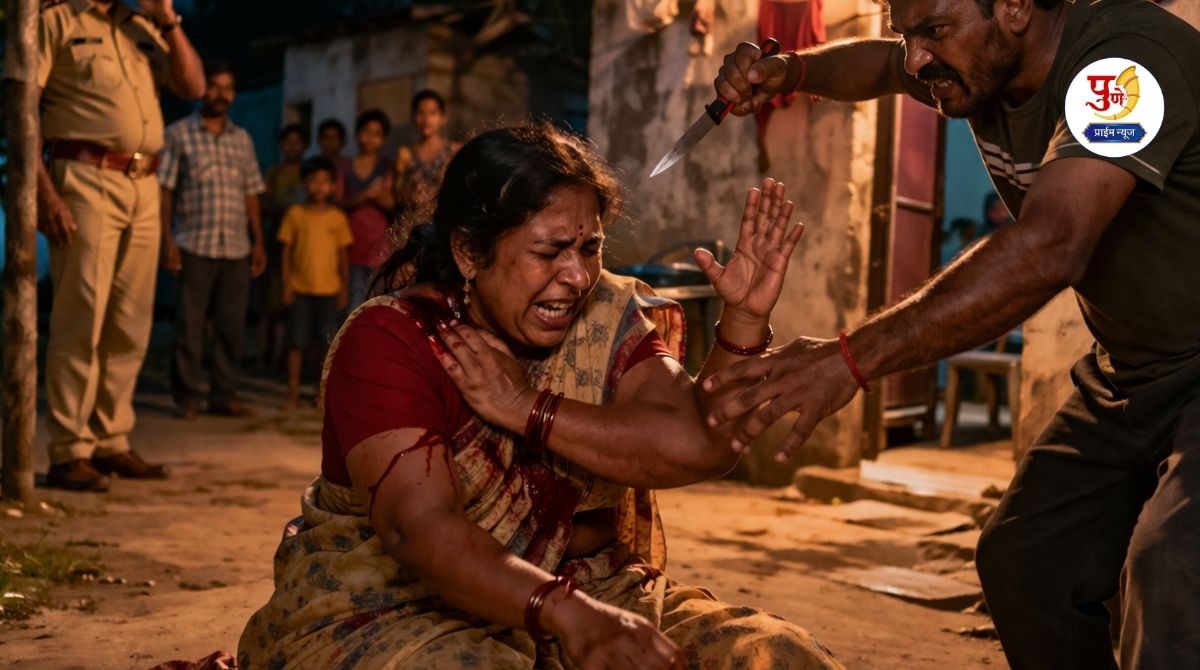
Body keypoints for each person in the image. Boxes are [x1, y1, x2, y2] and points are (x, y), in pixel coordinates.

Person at [238, 124, 842, 670]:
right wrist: (567, 615)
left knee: (776, 655)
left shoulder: (604, 314)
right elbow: (417, 530)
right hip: (404, 606)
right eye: (549, 251)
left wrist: (742, 321)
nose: (577, 276)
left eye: (589, 248)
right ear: (469, 252)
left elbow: (700, 445)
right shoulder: (395, 339)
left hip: (592, 587)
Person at [708, 0, 1200, 667]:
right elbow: (882, 66)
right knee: (1026, 561)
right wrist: (790, 71)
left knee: (1174, 572)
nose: (916, 58)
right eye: (907, 33)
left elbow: (1051, 246)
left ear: (1016, 8)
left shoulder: (1124, 66)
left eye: (933, 31)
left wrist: (849, 358)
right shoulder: (974, 63)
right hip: (1129, 374)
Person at [2, 0, 205, 491]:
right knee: (82, 316)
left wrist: (167, 19)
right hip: (83, 175)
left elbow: (194, 87)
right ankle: (70, 450)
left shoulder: (142, 27)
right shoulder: (54, 20)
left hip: (144, 182)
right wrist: (43, 192)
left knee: (131, 321)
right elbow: (20, 108)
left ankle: (110, 439)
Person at [159, 61, 267, 420]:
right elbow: (165, 191)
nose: (221, 95)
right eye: (215, 87)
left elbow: (251, 193)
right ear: (203, 89)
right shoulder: (178, 134)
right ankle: (187, 396)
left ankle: (223, 395)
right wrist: (168, 241)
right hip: (194, 243)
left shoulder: (242, 139)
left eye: (228, 88)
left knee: (231, 327)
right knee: (189, 326)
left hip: (235, 246)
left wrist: (258, 242)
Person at [278, 156, 353, 410]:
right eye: (313, 180)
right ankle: (292, 391)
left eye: (325, 181)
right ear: (304, 183)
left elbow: (343, 255)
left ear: (333, 186)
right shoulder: (295, 214)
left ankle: (321, 393)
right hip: (300, 289)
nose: (319, 186)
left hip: (329, 290)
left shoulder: (337, 217)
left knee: (326, 345)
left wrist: (344, 287)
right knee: (296, 342)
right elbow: (286, 251)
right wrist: (286, 284)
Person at [254, 124, 310, 373]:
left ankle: (281, 361)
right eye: (288, 142)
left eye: (297, 142)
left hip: (303, 246)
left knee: (291, 309)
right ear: (281, 146)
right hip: (276, 243)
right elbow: (264, 202)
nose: (292, 147)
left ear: (305, 146)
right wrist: (284, 215)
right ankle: (262, 358)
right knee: (269, 307)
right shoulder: (274, 173)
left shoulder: (309, 173)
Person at [338, 109, 395, 309]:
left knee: (375, 300)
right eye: (366, 132)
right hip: (350, 242)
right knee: (352, 302)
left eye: (376, 134)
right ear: (357, 134)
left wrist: (371, 197)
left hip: (379, 244)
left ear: (384, 139)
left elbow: (390, 202)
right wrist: (367, 195)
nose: (370, 138)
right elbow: (338, 203)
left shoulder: (387, 166)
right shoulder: (345, 166)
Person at [394, 89, 459, 213]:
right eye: (420, 113)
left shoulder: (454, 151)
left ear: (443, 118)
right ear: (413, 117)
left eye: (432, 113)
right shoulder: (405, 154)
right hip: (411, 218)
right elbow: (397, 192)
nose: (426, 119)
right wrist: (411, 194)